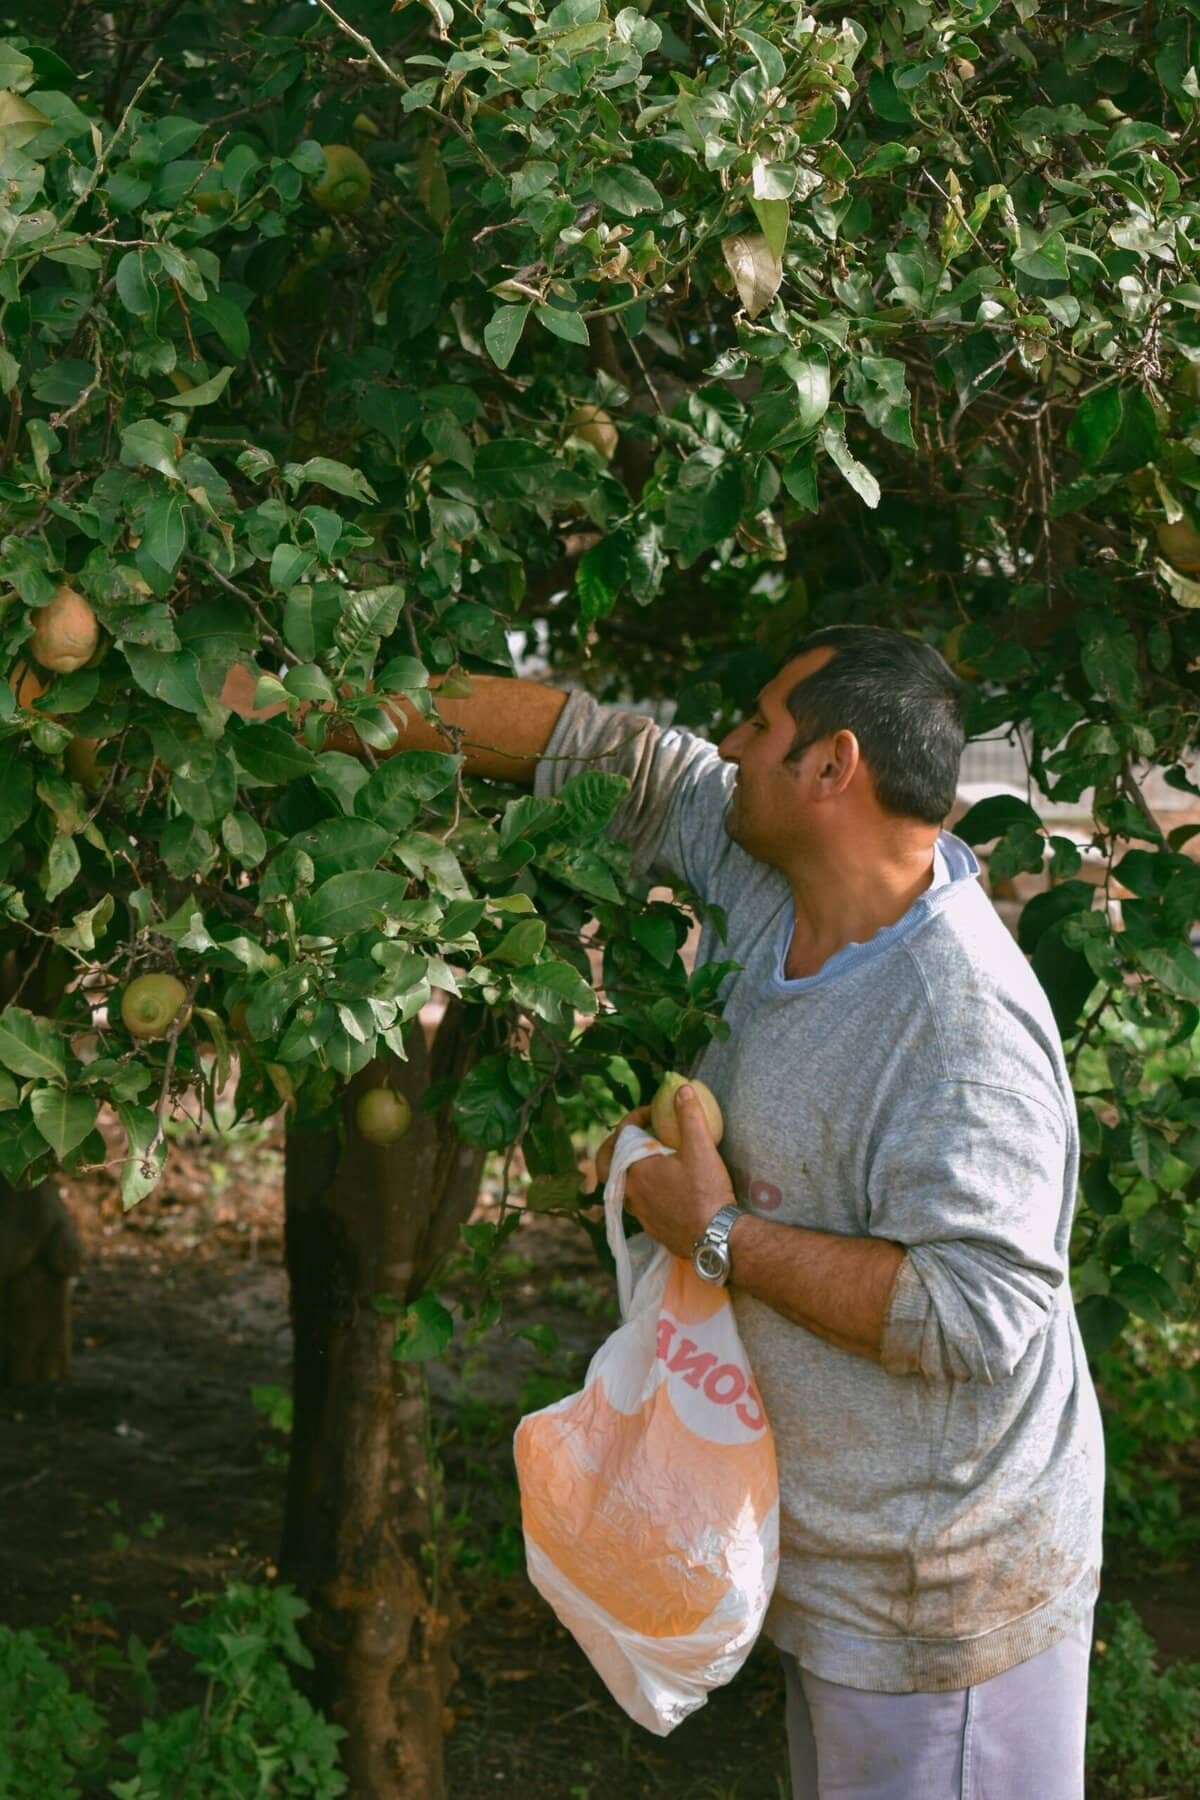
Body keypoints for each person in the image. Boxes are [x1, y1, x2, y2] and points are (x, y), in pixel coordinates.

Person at [223, 625, 1105, 1798]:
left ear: (833, 767)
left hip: (946, 1598)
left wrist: (716, 1233)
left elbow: (977, 1316)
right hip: (848, 1562)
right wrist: (285, 706)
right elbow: (600, 750)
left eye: (757, 726)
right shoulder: (767, 870)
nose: (727, 747)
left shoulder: (959, 1028)